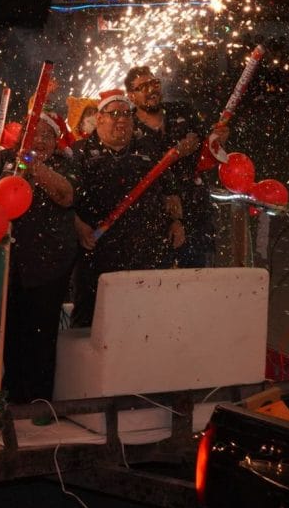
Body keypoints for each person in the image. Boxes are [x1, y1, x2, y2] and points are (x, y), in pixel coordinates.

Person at [0, 112, 77, 403]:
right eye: (35, 133)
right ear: (23, 135)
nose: (41, 140)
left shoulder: (65, 164)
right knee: (8, 333)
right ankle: (7, 397)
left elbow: (66, 195)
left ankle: (39, 402)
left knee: (41, 335)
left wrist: (35, 166)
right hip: (7, 262)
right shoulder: (1, 160)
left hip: (49, 266)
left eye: (48, 135)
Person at [71, 89, 185, 327]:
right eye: (114, 114)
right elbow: (65, 199)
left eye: (126, 114)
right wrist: (78, 225)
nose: (121, 119)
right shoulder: (79, 152)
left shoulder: (148, 149)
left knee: (143, 315)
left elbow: (170, 190)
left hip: (144, 246)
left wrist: (177, 221)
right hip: (97, 247)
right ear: (99, 118)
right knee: (92, 316)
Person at [125, 66, 228, 267]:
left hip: (195, 212)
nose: (151, 90)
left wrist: (219, 141)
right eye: (142, 87)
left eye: (154, 83)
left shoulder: (183, 111)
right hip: (154, 219)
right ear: (131, 96)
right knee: (157, 286)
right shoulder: (127, 125)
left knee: (197, 281)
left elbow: (207, 151)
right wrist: (175, 154)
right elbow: (137, 170)